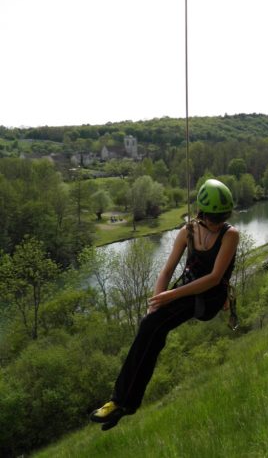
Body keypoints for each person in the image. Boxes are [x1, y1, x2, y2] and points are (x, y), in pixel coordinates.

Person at [90, 179, 239, 431]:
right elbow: (167, 270)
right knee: (151, 325)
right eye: (213, 218)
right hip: (188, 291)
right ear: (202, 213)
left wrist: (169, 297)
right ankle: (122, 404)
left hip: (210, 297)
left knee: (153, 326)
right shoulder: (188, 231)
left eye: (221, 218)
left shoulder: (230, 234)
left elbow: (214, 278)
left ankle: (122, 402)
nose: (217, 223)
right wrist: (156, 302)